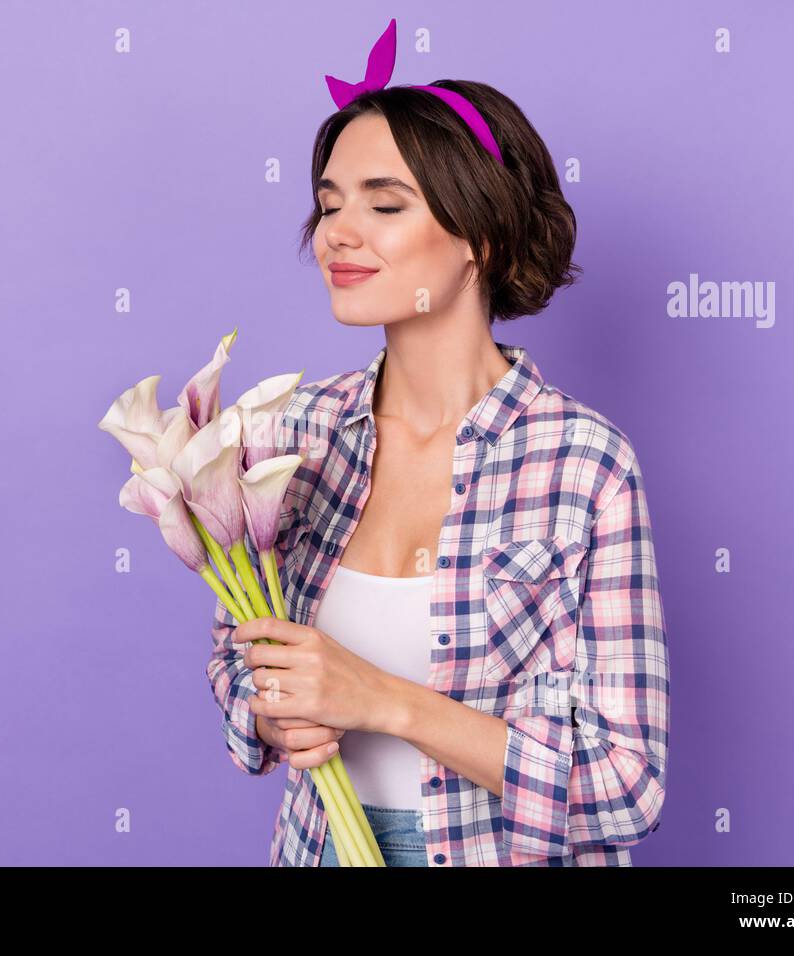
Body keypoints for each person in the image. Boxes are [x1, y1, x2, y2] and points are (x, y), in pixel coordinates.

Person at [206, 19, 669, 867]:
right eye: (329, 201)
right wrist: (271, 709)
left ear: (479, 237)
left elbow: (624, 784)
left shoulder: (583, 464)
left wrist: (381, 700)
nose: (337, 232)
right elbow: (238, 655)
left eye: (384, 204)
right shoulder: (295, 432)